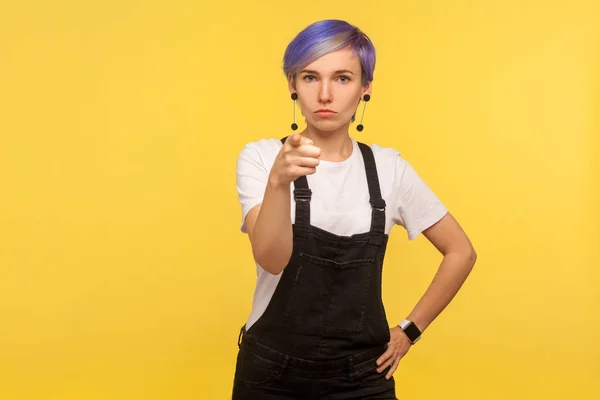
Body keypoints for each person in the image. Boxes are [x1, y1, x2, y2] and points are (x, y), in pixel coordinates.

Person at [232, 19, 477, 399]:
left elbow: (461, 252)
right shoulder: (263, 157)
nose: (325, 94)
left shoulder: (389, 168)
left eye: (343, 78)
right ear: (292, 84)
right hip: (272, 375)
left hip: (362, 378)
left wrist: (410, 330)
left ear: (366, 88)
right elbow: (271, 259)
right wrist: (279, 183)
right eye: (311, 77)